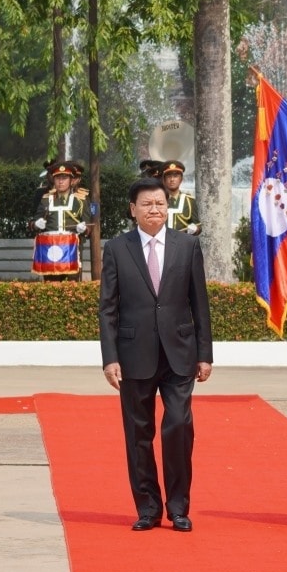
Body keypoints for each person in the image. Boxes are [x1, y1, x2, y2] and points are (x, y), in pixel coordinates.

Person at [99, 176, 213, 533]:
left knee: (179, 427)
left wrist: (205, 353)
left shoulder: (186, 246)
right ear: (133, 210)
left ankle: (179, 507)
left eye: (160, 203)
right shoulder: (117, 248)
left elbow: (200, 302)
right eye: (147, 204)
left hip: (180, 352)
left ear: (169, 207)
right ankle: (148, 507)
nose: (155, 209)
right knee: (138, 433)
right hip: (134, 355)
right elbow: (108, 309)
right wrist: (110, 357)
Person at [30, 161, 89, 281]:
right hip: (51, 250)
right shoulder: (46, 200)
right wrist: (36, 224)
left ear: (71, 180)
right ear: (53, 180)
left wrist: (83, 229)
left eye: (64, 178)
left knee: (71, 286)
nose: (60, 181)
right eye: (57, 178)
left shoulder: (80, 201)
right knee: (51, 285)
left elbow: (89, 227)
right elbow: (32, 224)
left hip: (71, 250)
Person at [161, 160, 200, 234]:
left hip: (182, 243)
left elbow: (198, 226)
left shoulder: (189, 201)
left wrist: (194, 229)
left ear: (181, 179)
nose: (172, 179)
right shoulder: (158, 200)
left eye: (175, 176)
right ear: (164, 180)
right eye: (169, 176)